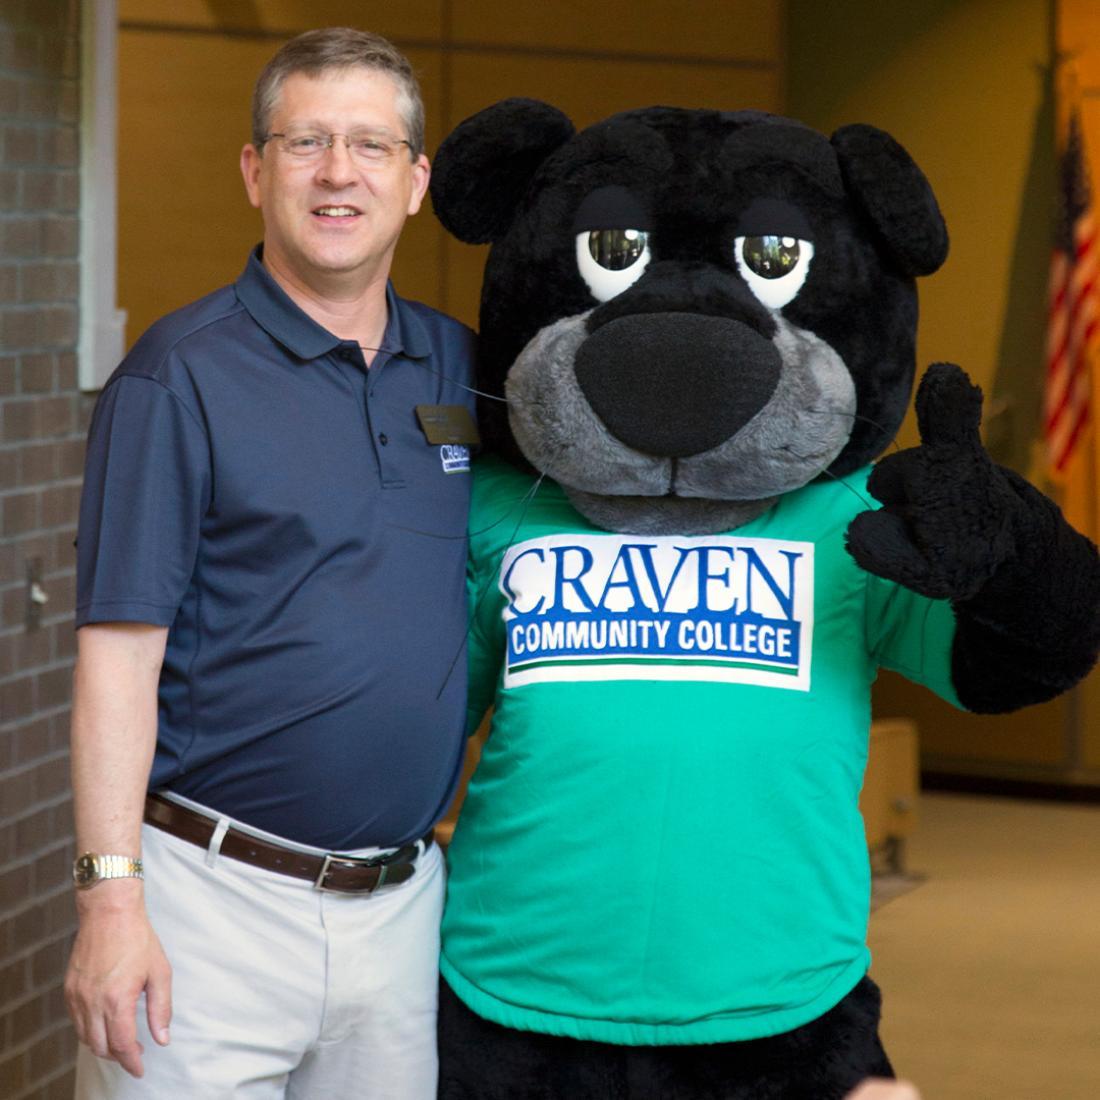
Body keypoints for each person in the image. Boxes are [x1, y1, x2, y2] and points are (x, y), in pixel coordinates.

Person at [64, 27, 477, 1099]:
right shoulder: (175, 375)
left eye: (370, 146)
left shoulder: (461, 368)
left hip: (400, 910)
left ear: (415, 181)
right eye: (305, 142)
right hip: (209, 906)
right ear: (256, 171)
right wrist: (112, 902)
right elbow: (117, 658)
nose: (338, 172)